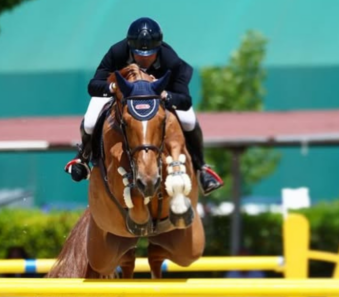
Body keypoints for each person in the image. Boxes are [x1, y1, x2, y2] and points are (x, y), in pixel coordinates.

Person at [64, 17, 224, 196]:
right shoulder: (117, 52)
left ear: (159, 48)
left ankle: (202, 168)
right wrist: (113, 87)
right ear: (130, 47)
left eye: (150, 54)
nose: (144, 59)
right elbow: (93, 85)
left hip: (157, 96)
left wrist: (165, 95)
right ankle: (82, 158)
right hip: (121, 95)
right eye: (139, 53)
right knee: (90, 121)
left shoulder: (170, 60)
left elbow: (185, 100)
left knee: (188, 120)